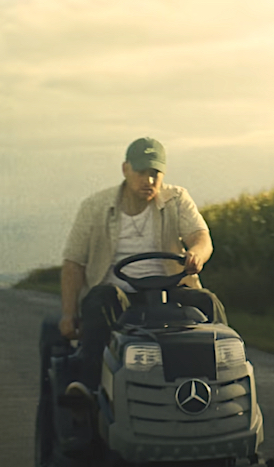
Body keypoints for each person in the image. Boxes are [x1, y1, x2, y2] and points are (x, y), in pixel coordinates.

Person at [47, 137, 227, 408]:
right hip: (118, 295)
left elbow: (201, 238)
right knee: (99, 300)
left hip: (169, 291)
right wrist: (68, 314)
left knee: (206, 301)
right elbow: (74, 262)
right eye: (141, 172)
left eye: (155, 173)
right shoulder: (95, 206)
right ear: (125, 169)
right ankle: (90, 389)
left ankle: (224, 381)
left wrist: (196, 254)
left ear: (163, 173)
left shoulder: (177, 199)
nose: (149, 181)